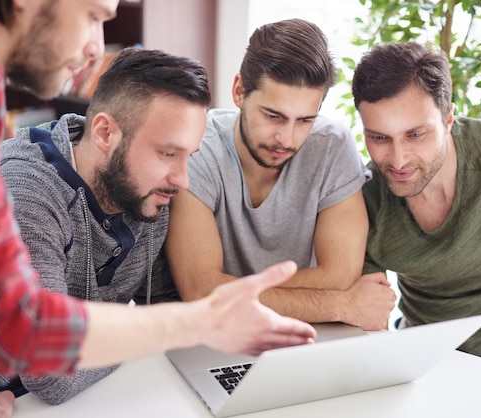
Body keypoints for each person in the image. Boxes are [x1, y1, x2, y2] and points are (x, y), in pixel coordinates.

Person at [0, 1, 316, 416]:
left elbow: (164, 307)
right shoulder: (25, 182)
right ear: (104, 132)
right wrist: (185, 324)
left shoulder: (145, 191)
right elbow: (44, 365)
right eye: (93, 16)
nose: (94, 50)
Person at [164, 18, 397, 329]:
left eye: (304, 120)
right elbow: (201, 292)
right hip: (222, 334)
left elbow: (341, 276)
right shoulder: (197, 150)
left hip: (312, 334)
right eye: (273, 116)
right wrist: (342, 305)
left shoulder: (332, 147)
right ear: (239, 92)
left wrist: (229, 290)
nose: (287, 139)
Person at [351, 41, 481, 378]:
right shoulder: (364, 199)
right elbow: (368, 320)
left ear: (449, 116)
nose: (398, 159)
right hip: (427, 368)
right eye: (379, 138)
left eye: (416, 134)